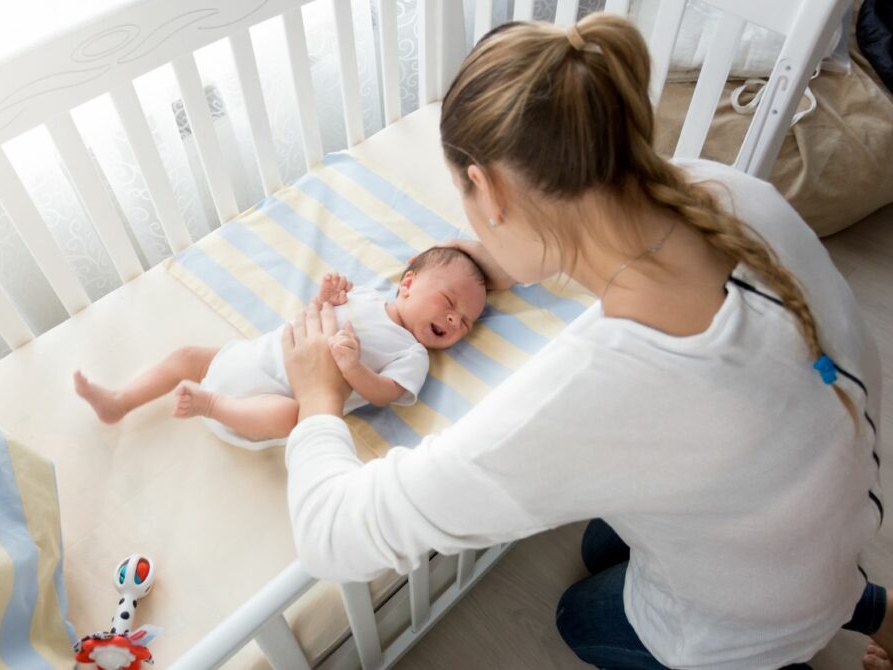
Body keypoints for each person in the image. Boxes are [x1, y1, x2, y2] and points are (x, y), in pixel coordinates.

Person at [279, 13, 890, 670]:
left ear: (487, 189)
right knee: (602, 544)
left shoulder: (592, 392)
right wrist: (498, 253)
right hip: (828, 512)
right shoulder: (727, 191)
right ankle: (869, 608)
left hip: (751, 618)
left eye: (463, 194)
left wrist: (318, 397)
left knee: (578, 614)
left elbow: (331, 533)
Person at [74, 247, 486, 449]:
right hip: (255, 356)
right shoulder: (366, 294)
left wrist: (354, 368)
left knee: (294, 418)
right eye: (450, 303)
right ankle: (120, 401)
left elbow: (385, 394)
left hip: (270, 402)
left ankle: (210, 405)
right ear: (409, 283)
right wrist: (324, 296)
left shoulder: (413, 355)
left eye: (464, 322)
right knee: (187, 357)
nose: (454, 321)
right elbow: (313, 318)